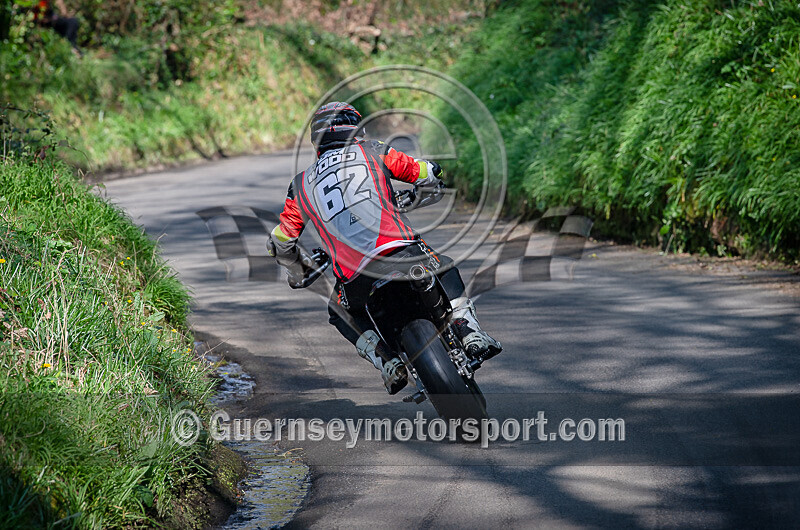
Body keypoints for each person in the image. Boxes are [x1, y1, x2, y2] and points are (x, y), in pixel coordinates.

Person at [268, 102, 501, 394]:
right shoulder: (374, 151)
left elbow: (281, 241)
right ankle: (468, 330)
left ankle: (387, 364)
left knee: (338, 310)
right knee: (445, 265)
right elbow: (423, 172)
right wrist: (431, 175)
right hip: (401, 251)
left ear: (316, 140)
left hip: (353, 277)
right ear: (356, 129)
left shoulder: (299, 185)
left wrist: (297, 269)